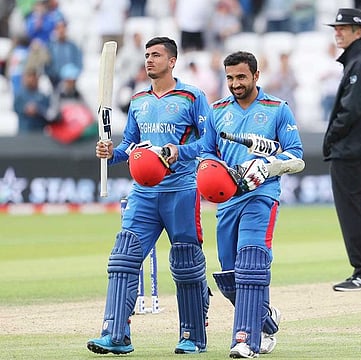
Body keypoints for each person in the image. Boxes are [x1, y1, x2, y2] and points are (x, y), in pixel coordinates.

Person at [87, 37, 211, 355]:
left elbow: (209, 144)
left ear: (172, 61)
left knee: (185, 263)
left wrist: (178, 150)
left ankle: (193, 335)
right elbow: (131, 145)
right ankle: (116, 334)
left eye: (156, 55)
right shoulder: (139, 100)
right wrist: (110, 152)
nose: (149, 60)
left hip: (181, 190)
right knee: (123, 258)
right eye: (147, 55)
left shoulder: (192, 97)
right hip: (143, 193)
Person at [200, 51, 304, 358]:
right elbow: (206, 155)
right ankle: (266, 320)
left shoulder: (277, 109)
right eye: (230, 77)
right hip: (227, 201)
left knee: (251, 265)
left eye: (241, 77)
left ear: (256, 76)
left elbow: (296, 156)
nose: (235, 83)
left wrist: (267, 166)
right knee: (229, 275)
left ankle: (245, 340)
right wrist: (212, 174)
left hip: (262, 197)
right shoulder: (217, 110)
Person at [322, 8, 361, 292]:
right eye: (336, 28)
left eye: (344, 28)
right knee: (359, 206)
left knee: (350, 209)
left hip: (350, 148)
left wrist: (331, 137)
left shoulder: (358, 62)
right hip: (360, 146)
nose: (338, 32)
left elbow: (351, 110)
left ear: (358, 32)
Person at [13, 67, 51, 133]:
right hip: (24, 131)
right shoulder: (19, 95)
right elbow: (16, 108)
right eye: (28, 77)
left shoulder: (43, 96)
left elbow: (48, 112)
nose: (30, 80)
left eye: (33, 77)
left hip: (39, 132)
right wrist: (25, 109)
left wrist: (37, 109)